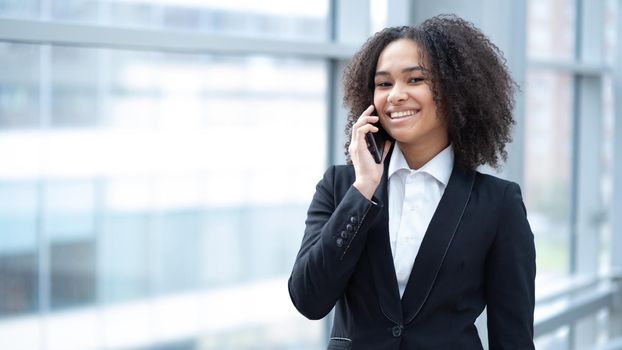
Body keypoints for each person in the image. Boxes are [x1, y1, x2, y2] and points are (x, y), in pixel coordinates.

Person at [287, 14, 536, 350]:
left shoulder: (498, 203)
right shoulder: (340, 185)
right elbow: (308, 299)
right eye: (384, 84)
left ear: (455, 90)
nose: (396, 96)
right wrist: (363, 190)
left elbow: (513, 337)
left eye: (415, 79)